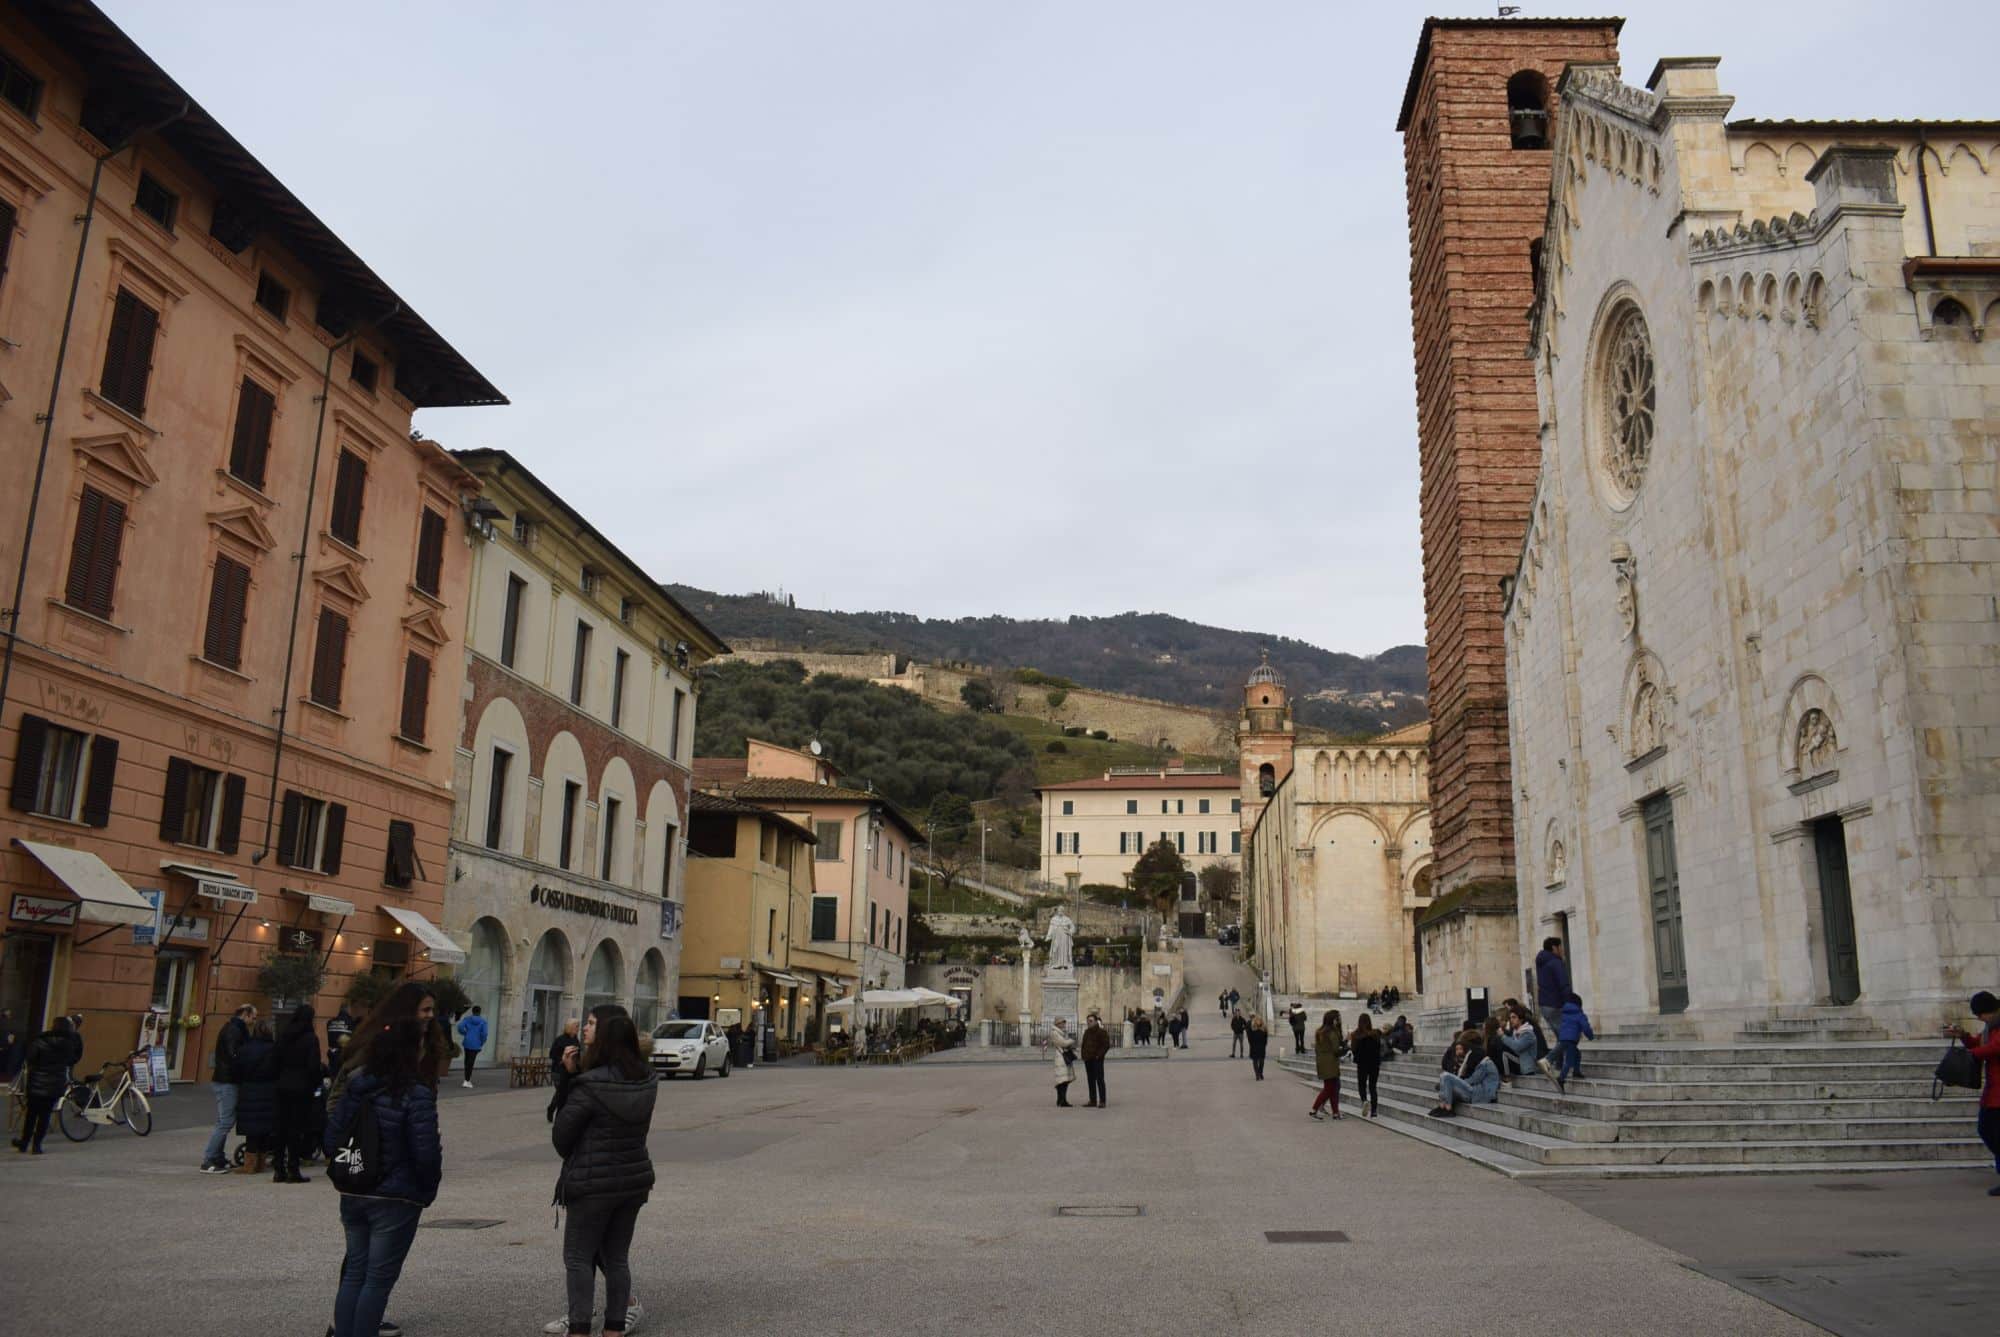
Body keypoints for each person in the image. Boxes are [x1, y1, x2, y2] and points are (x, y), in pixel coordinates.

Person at [323, 996, 445, 1337]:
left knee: (354, 1272)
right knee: (377, 1279)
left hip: (355, 1187)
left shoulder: (358, 1084)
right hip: (396, 1197)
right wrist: (426, 1189)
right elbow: (426, 1152)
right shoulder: (416, 1092)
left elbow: (331, 1137)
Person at [552, 1012, 657, 1337]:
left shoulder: (588, 1085)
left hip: (592, 1183)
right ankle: (613, 1328)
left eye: (592, 1023)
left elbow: (562, 1138)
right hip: (632, 1180)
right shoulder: (646, 1079)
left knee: (578, 1257)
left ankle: (579, 1328)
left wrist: (570, 1080)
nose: (584, 1027)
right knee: (617, 1259)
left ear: (605, 1039)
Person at [1946, 990, 2000, 1196]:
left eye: (1980, 1014)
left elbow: (1995, 1047)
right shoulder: (1991, 1027)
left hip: (1998, 1093)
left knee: (1991, 1131)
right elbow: (1981, 1043)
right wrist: (1964, 1037)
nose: (1979, 1018)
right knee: (1988, 1130)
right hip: (1994, 1091)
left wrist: (1970, 1055)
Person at [11, 1015, 80, 1155]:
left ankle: (24, 1143)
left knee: (31, 1114)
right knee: (45, 1115)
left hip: (36, 1082)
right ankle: (37, 1145)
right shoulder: (68, 1044)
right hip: (55, 1084)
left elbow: (30, 1058)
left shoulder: (40, 1040)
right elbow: (72, 1060)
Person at [201, 1003, 255, 1174]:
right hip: (227, 1081)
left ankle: (218, 1157)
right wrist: (244, 1066)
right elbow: (234, 1055)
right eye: (252, 1017)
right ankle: (209, 1159)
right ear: (245, 1014)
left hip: (226, 1080)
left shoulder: (234, 1028)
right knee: (225, 1121)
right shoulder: (234, 1030)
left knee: (224, 1120)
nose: (253, 1021)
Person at [273, 1003, 323, 1183]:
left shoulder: (284, 1035)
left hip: (282, 1085)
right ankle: (293, 1168)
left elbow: (274, 1060)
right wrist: (317, 1082)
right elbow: (313, 1065)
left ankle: (278, 1168)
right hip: (301, 1087)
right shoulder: (310, 1038)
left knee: (281, 1127)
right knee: (296, 1128)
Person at [234, 1018, 278, 1174]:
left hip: (249, 1089)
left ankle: (249, 1164)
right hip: (269, 1090)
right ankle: (261, 1162)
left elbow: (237, 1070)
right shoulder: (275, 1049)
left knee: (251, 1129)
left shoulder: (245, 1049)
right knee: (265, 1127)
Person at [1430, 1037, 1500, 1117]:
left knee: (1446, 1076)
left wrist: (1455, 1081)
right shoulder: (1483, 1064)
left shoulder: (1486, 1064)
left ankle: (1448, 1109)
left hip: (1479, 1096)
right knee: (1445, 1079)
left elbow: (1473, 1080)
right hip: (1476, 1093)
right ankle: (1443, 1106)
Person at [1550, 992, 1595, 1093]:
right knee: (1569, 1060)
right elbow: (1586, 1027)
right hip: (1571, 1040)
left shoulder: (1564, 1014)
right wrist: (1591, 1036)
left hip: (1563, 1038)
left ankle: (1576, 1071)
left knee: (1577, 1054)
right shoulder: (1579, 1014)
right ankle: (1561, 1079)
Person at [1309, 1010, 1345, 1121]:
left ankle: (1335, 1113)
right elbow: (1336, 1050)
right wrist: (1346, 1048)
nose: (1339, 1020)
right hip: (1330, 1063)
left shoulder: (1321, 1031)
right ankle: (1314, 1110)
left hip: (1322, 1062)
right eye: (1337, 1018)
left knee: (1332, 1088)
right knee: (1329, 1089)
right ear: (1333, 1019)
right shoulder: (1332, 1032)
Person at [1535, 937, 1570, 1036]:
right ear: (1554, 948)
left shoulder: (1541, 961)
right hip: (1555, 1004)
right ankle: (1552, 1053)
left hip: (1544, 1005)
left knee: (1562, 1037)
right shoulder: (1556, 962)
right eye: (1560, 947)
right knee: (1566, 1038)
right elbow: (1564, 984)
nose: (1562, 950)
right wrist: (1569, 1002)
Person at [548, 1019, 582, 1120]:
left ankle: (552, 1108)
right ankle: (555, 1112)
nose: (578, 1028)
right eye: (576, 1026)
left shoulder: (576, 1039)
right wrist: (562, 1060)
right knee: (562, 1093)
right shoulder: (560, 1039)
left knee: (562, 1093)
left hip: (571, 1072)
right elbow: (552, 1054)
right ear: (570, 1027)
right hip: (558, 1072)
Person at [1350, 1015, 1383, 1117]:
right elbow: (1379, 1048)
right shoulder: (1375, 1034)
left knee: (1362, 1085)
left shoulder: (1356, 1035)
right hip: (1374, 1063)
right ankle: (1374, 1111)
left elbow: (1354, 1050)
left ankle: (1364, 1100)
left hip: (1362, 1063)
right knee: (1373, 1087)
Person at [1080, 1012, 1110, 1108]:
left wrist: (1099, 1056)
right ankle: (1092, 1100)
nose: (1089, 1023)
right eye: (1088, 1021)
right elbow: (1084, 1044)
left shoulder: (1102, 1032)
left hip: (1097, 1060)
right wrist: (1083, 1055)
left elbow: (1106, 1045)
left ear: (1096, 1021)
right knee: (1090, 1080)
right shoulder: (1087, 1032)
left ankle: (1102, 1101)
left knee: (1100, 1080)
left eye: (1091, 1021)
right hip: (1088, 1059)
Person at [1046, 1018, 1078, 1107]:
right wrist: (1072, 1040)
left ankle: (1061, 1099)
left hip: (1064, 1057)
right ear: (1058, 1024)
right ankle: (1062, 1100)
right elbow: (1063, 1043)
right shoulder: (1055, 1033)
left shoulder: (1061, 1032)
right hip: (1061, 1058)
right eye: (1062, 1023)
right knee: (1062, 1080)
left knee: (1065, 1080)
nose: (1064, 1025)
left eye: (1064, 1023)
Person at [455, 1005, 488, 1090]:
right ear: (479, 1012)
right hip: (476, 1043)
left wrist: (465, 1033)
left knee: (467, 1061)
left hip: (467, 1042)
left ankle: (466, 1079)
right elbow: (484, 1034)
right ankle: (467, 1080)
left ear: (472, 1011)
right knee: (471, 1062)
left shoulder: (467, 1019)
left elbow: (460, 1027)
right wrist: (482, 1042)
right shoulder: (483, 1022)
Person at [1246, 1015, 1269, 1080]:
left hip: (1261, 1047)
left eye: (1260, 1020)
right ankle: (1257, 1074)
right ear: (1255, 1022)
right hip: (1254, 1047)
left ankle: (1260, 1072)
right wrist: (1251, 1044)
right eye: (1257, 1020)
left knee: (1261, 1061)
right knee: (1255, 1061)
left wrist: (1264, 1045)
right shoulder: (1252, 1029)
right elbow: (1250, 1038)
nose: (1259, 1022)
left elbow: (1265, 1038)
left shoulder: (1264, 1029)